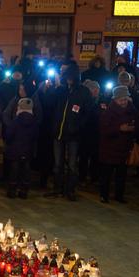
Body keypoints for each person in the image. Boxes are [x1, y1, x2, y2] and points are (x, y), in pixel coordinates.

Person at [49, 63, 93, 201]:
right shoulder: (61, 91)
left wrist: (78, 126)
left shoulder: (83, 92)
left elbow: (87, 112)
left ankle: (70, 190)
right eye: (66, 77)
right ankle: (57, 188)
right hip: (59, 132)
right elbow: (50, 106)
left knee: (72, 164)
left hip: (74, 134)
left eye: (70, 77)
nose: (68, 80)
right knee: (58, 163)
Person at [98, 86, 139, 204]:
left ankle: (119, 195)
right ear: (115, 99)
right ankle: (104, 195)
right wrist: (119, 128)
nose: (123, 102)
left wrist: (133, 128)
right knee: (106, 174)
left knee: (121, 174)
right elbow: (104, 130)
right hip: (109, 148)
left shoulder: (132, 110)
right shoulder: (108, 112)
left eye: (125, 99)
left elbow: (138, 122)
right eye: (121, 99)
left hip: (124, 148)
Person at [2, 97, 39, 199]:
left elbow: (9, 134)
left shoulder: (16, 121)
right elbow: (36, 136)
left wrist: (8, 143)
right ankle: (24, 191)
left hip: (15, 150)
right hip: (28, 150)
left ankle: (12, 191)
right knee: (26, 171)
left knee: (14, 170)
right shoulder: (34, 122)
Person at [80, 80, 102, 185]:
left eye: (97, 89)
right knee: (84, 157)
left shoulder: (102, 100)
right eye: (94, 89)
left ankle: (94, 177)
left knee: (95, 157)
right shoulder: (84, 101)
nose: (96, 91)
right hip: (85, 133)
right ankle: (82, 177)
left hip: (97, 134)